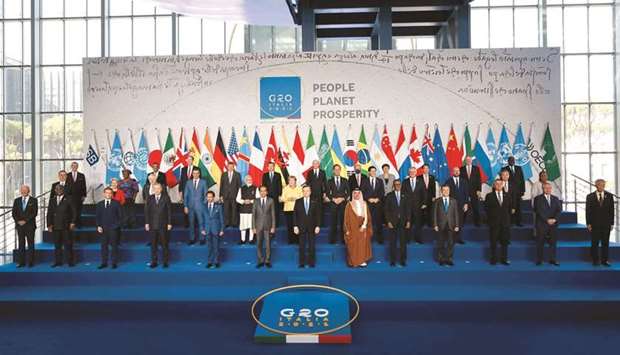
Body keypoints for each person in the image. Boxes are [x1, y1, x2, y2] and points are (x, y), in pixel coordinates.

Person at [586, 179, 615, 267]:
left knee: (605, 243)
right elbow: (588, 211)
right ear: (596, 185)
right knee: (594, 242)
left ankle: (604, 260)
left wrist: (612, 223)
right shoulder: (590, 196)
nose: (601, 186)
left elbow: (611, 211)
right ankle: (595, 260)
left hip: (606, 224)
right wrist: (588, 223)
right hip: (594, 224)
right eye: (599, 184)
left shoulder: (609, 196)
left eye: (603, 185)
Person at [485, 179, 513, 265]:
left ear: (503, 185)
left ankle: (504, 259)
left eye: (500, 184)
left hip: (505, 223)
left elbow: (509, 209)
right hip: (494, 223)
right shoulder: (489, 196)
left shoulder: (508, 195)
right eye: (497, 184)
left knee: (504, 242)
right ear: (494, 185)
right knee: (493, 242)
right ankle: (493, 259)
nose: (499, 185)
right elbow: (486, 209)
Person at [46, 185, 76, 267]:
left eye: (60, 189)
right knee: (57, 245)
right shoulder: (52, 200)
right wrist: (49, 224)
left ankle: (70, 261)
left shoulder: (69, 198)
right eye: (57, 189)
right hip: (55, 226)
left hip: (66, 225)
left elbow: (74, 211)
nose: (59, 190)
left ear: (63, 190)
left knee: (68, 244)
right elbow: (49, 213)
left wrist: (73, 222)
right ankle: (58, 262)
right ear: (55, 190)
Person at [533, 182, 562, 266]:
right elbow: (537, 211)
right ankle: (539, 260)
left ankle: (552, 259)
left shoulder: (555, 198)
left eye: (549, 188)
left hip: (553, 224)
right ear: (543, 189)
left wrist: (555, 219)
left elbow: (559, 211)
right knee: (540, 242)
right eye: (546, 188)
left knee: (553, 243)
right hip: (542, 224)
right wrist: (547, 220)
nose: (548, 189)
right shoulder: (537, 199)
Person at [145, 183, 172, 268]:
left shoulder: (166, 198)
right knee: (153, 245)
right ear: (153, 189)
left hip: (163, 225)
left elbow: (169, 212)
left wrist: (169, 223)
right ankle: (154, 261)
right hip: (152, 225)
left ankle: (165, 262)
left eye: (158, 188)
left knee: (164, 244)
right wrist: (147, 223)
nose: (156, 190)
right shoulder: (150, 198)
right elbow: (147, 212)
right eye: (155, 188)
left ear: (161, 189)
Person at [344, 189, 373, 267]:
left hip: (363, 227)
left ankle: (362, 260)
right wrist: (346, 230)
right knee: (353, 243)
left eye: (358, 193)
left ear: (360, 194)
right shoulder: (349, 205)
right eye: (355, 193)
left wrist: (363, 226)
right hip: (352, 228)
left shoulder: (364, 204)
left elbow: (367, 216)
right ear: (353, 195)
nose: (356, 195)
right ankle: (354, 261)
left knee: (362, 242)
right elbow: (346, 219)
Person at [384, 180, 410, 267]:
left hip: (403, 222)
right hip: (392, 222)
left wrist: (408, 221)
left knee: (403, 243)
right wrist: (388, 221)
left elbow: (408, 210)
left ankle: (403, 260)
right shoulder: (389, 195)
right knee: (393, 243)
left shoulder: (406, 195)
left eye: (399, 184)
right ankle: (393, 260)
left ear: (401, 185)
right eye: (396, 184)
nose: (397, 186)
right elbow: (386, 210)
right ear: (393, 186)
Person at [293, 185, 321, 268]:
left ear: (310, 192)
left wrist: (318, 226)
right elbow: (295, 215)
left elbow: (318, 215)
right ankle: (301, 263)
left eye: (307, 191)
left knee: (312, 246)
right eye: (304, 191)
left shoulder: (315, 201)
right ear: (302, 192)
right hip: (301, 227)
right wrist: (295, 226)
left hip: (312, 227)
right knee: (301, 246)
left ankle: (311, 263)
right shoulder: (298, 201)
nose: (306, 192)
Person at [433, 185, 460, 266]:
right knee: (440, 243)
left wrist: (457, 225)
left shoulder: (454, 201)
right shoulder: (437, 201)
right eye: (444, 190)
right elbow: (434, 213)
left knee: (450, 243)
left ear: (449, 191)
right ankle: (441, 259)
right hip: (440, 225)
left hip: (451, 225)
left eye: (447, 190)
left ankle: (449, 259)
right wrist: (435, 224)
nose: (445, 191)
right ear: (441, 191)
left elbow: (456, 213)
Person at [95, 188, 122, 269]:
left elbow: (121, 217)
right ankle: (104, 263)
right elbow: (97, 217)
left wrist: (116, 226)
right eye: (107, 193)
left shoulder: (116, 203)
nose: (108, 194)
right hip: (103, 229)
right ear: (104, 194)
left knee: (114, 246)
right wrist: (98, 226)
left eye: (110, 193)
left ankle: (114, 263)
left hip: (113, 229)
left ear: (112, 194)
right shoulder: (99, 204)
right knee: (103, 247)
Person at [12, 185, 38, 268]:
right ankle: (21, 262)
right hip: (20, 226)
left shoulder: (34, 200)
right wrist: (18, 221)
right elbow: (14, 213)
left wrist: (25, 221)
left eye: (25, 190)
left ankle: (31, 262)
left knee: (30, 244)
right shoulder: (17, 200)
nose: (23, 191)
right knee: (21, 244)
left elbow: (34, 213)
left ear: (28, 191)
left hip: (30, 226)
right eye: (22, 190)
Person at [444, 166, 469, 244]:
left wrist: (466, 204)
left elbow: (466, 193)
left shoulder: (464, 181)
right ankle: (451, 238)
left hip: (461, 206)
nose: (457, 172)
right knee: (451, 223)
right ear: (452, 172)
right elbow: (446, 194)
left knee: (460, 223)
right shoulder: (448, 181)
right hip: (451, 206)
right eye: (455, 171)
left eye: (458, 171)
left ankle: (458, 238)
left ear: (459, 172)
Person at [253, 186, 275, 268]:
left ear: (267, 192)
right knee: (258, 244)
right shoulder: (256, 201)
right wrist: (253, 227)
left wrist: (273, 226)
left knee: (268, 244)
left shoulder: (271, 200)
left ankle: (267, 260)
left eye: (264, 191)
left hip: (268, 226)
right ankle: (260, 260)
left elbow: (273, 215)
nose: (262, 192)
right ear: (259, 192)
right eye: (261, 191)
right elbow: (253, 215)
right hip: (258, 226)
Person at [184, 168, 207, 245]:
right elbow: (186, 195)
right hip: (190, 207)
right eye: (194, 173)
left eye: (197, 173)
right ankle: (192, 238)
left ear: (199, 174)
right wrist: (185, 206)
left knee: (201, 223)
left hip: (200, 206)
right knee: (191, 223)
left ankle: (202, 238)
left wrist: (203, 205)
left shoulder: (203, 182)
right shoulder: (188, 183)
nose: (195, 174)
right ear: (192, 174)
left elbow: (206, 195)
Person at [327, 164, 349, 244]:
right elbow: (327, 193)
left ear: (340, 170)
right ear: (333, 171)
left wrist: (342, 198)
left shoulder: (345, 180)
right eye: (335, 169)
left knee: (343, 222)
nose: (337, 171)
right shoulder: (329, 181)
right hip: (333, 204)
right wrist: (333, 199)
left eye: (338, 169)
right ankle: (332, 240)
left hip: (343, 204)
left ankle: (343, 240)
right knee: (333, 222)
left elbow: (348, 192)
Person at [202, 191, 224, 268]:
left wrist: (222, 229)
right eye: (208, 197)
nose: (209, 198)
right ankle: (209, 262)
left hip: (216, 229)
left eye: (211, 197)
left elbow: (221, 219)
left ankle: (216, 261)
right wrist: (202, 229)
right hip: (207, 229)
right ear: (206, 198)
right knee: (209, 247)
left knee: (216, 246)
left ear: (213, 198)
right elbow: (202, 219)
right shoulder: (203, 206)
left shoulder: (219, 207)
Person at [364, 166, 385, 244]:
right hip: (368, 204)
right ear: (369, 172)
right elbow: (363, 192)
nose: (373, 172)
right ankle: (369, 239)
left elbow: (382, 192)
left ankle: (380, 239)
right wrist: (368, 199)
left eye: (374, 171)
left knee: (379, 222)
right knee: (369, 222)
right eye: (372, 171)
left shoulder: (380, 181)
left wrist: (378, 199)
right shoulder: (365, 181)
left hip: (378, 204)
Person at [236, 175, 259, 244]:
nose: (249, 180)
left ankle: (251, 239)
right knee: (243, 225)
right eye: (247, 179)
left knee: (251, 225)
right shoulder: (241, 188)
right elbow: (237, 199)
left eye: (250, 179)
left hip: (252, 210)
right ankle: (242, 240)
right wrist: (243, 201)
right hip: (243, 210)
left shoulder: (255, 188)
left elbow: (258, 199)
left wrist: (251, 201)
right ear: (245, 180)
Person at [402, 167, 423, 244]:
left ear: (416, 172)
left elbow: (424, 193)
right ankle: (407, 239)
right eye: (410, 172)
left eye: (413, 171)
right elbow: (402, 194)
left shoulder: (420, 181)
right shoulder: (405, 182)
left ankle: (418, 238)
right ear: (408, 173)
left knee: (418, 224)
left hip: (418, 206)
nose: (412, 173)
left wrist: (423, 203)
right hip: (407, 206)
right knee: (407, 223)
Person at [281, 176, 303, 244]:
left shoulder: (300, 188)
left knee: (297, 226)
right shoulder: (285, 189)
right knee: (290, 226)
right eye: (290, 180)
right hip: (288, 209)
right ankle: (291, 240)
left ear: (295, 181)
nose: (291, 182)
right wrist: (288, 199)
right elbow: (282, 198)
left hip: (298, 210)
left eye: (292, 180)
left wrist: (295, 198)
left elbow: (302, 197)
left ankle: (297, 240)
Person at [460, 156, 482, 226]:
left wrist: (479, 190)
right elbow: (460, 181)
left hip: (474, 191)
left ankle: (477, 222)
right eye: (467, 160)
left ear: (471, 160)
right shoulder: (461, 169)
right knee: (464, 207)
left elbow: (479, 180)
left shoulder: (476, 168)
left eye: (469, 160)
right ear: (465, 161)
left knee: (475, 207)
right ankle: (462, 222)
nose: (468, 161)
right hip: (465, 191)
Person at [262, 161, 283, 233]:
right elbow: (263, 186)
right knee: (267, 210)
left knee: (276, 210)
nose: (270, 167)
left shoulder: (278, 175)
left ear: (274, 167)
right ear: (267, 167)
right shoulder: (265, 175)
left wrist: (280, 195)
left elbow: (279, 185)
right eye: (269, 166)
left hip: (276, 195)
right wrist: (264, 194)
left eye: (272, 166)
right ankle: (268, 223)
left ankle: (276, 224)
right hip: (267, 196)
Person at [503, 156, 525, 226]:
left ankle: (519, 222)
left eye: (513, 160)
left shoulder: (519, 168)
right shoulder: (504, 169)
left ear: (515, 161)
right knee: (510, 207)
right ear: (508, 161)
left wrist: (523, 191)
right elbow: (502, 179)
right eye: (510, 160)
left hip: (518, 192)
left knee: (518, 207)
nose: (512, 161)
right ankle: (511, 222)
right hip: (508, 192)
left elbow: (522, 180)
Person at [220, 161, 241, 227]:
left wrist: (239, 196)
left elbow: (239, 186)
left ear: (233, 167)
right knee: (226, 210)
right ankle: (227, 223)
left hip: (234, 195)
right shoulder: (224, 174)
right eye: (229, 167)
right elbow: (221, 185)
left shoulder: (237, 174)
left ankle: (234, 223)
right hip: (225, 195)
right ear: (227, 167)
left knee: (234, 210)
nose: (230, 168)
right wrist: (221, 195)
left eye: (232, 167)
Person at [67, 162, 86, 227]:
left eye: (76, 166)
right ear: (71, 167)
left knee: (78, 209)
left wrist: (84, 195)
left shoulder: (81, 175)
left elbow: (84, 186)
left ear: (77, 167)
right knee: (71, 210)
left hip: (79, 196)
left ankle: (78, 223)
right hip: (70, 196)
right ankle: (72, 223)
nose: (74, 167)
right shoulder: (67, 175)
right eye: (73, 166)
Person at [530, 171, 548, 237]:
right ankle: (536, 235)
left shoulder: (549, 184)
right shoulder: (536, 184)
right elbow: (533, 197)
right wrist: (534, 207)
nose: (544, 177)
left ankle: (546, 235)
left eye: (545, 175)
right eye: (543, 176)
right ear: (540, 177)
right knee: (538, 223)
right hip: (539, 208)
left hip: (548, 208)